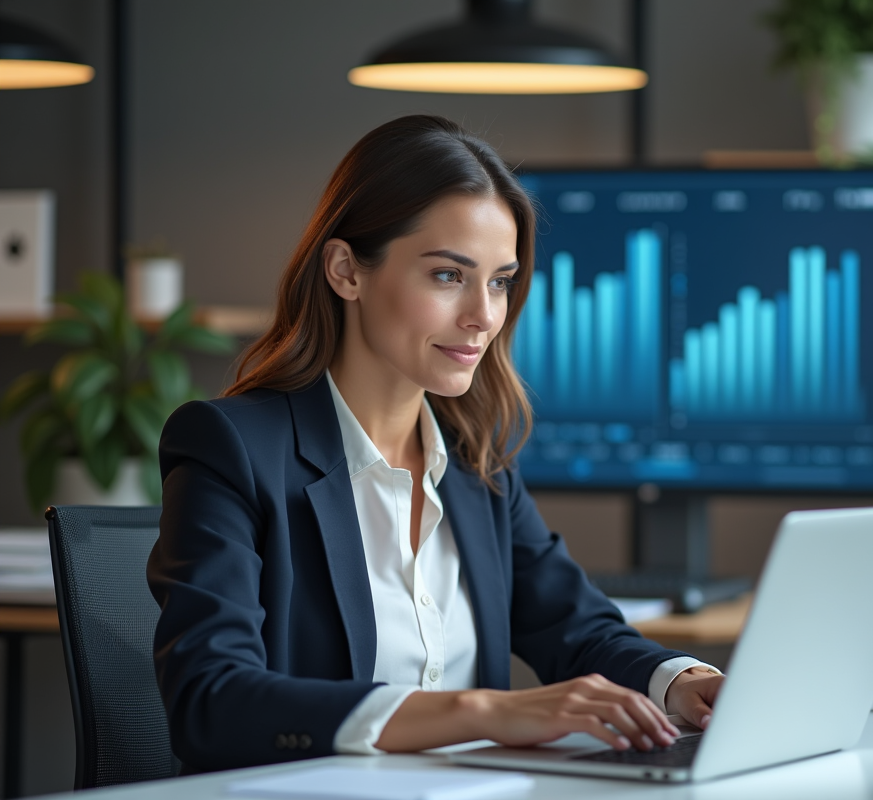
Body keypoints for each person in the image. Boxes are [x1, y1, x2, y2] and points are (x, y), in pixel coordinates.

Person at [147, 115, 724, 773]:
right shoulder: (233, 449)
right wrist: (481, 712)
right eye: (449, 276)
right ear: (346, 271)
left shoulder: (477, 462)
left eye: (500, 280)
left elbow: (580, 629)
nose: (483, 314)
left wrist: (684, 683)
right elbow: (210, 700)